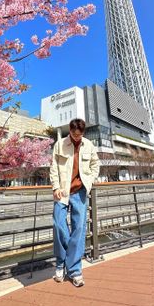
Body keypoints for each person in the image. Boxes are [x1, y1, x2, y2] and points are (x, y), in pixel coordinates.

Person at [50, 118, 100, 287]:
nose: (76, 137)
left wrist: (90, 181)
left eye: (79, 135)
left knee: (79, 229)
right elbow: (54, 168)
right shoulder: (60, 144)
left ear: (83, 133)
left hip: (80, 192)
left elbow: (95, 165)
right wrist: (56, 186)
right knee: (58, 225)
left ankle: (75, 270)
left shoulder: (89, 145)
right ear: (69, 131)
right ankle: (60, 263)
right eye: (73, 134)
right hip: (62, 192)